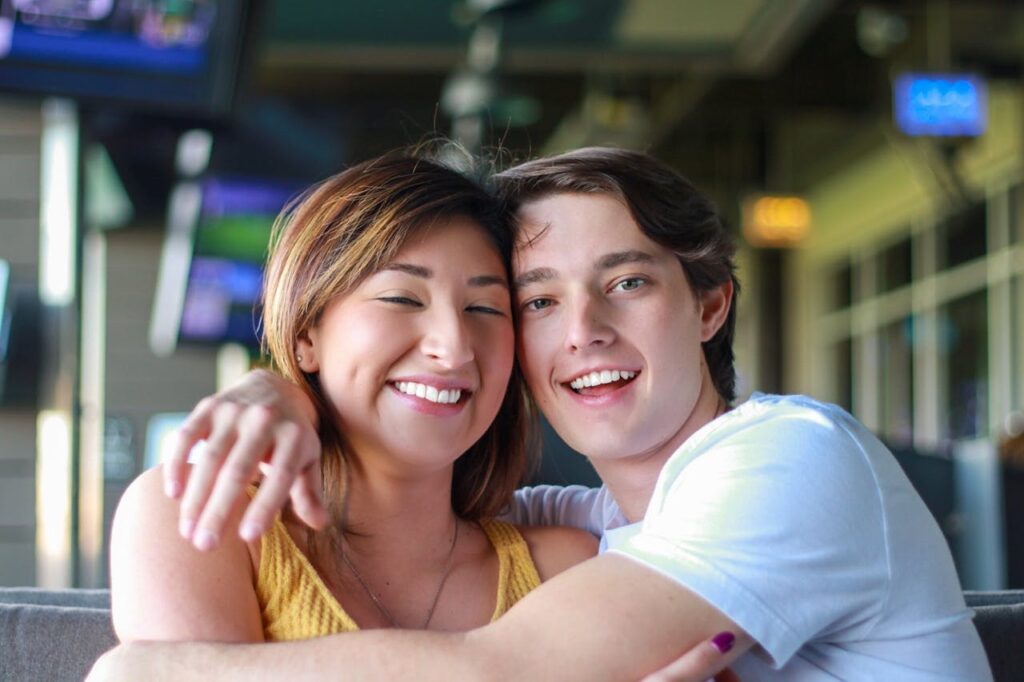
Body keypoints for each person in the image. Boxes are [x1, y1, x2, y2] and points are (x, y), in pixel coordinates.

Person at [92, 148, 990, 680]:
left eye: (627, 283)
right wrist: (280, 386)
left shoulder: (791, 462)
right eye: (539, 301)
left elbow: (499, 671)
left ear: (711, 305)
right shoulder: (597, 528)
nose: (585, 332)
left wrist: (157, 671)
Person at [107, 152, 601, 646]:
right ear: (306, 336)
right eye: (402, 299)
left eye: (483, 307)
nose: (453, 349)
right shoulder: (199, 518)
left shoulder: (565, 569)